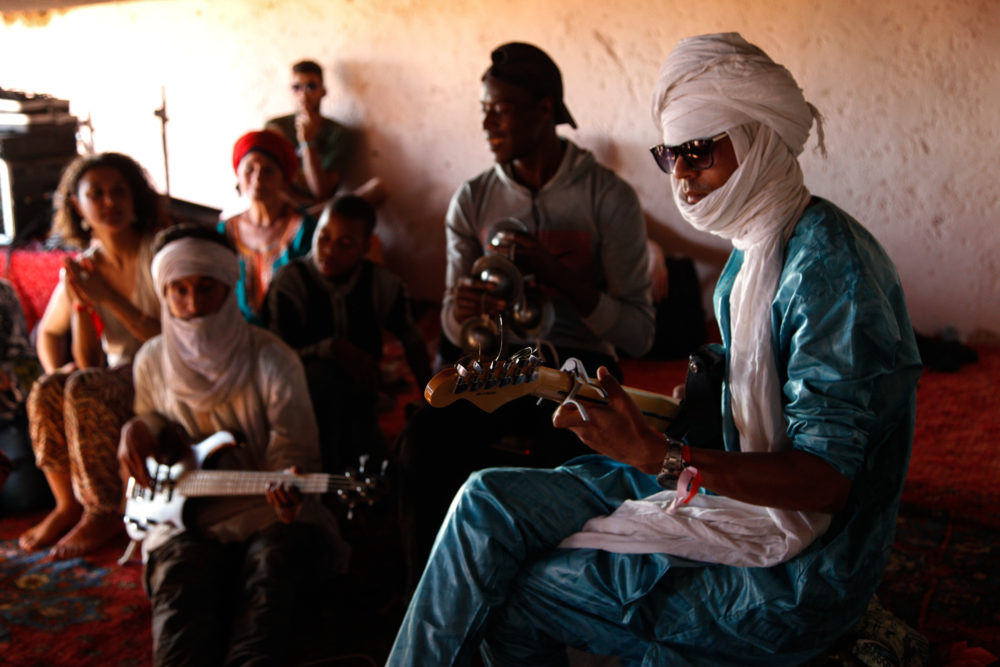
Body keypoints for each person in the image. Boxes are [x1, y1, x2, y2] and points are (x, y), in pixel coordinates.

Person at [387, 32, 922, 666]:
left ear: (756, 141)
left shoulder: (828, 272)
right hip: (726, 485)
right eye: (671, 157)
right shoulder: (748, 259)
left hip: (804, 567)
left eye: (698, 152)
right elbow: (757, 386)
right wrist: (694, 402)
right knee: (484, 500)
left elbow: (827, 481)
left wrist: (659, 455)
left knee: (517, 585)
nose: (684, 179)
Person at [396, 41, 654, 593]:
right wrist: (460, 313)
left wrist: (562, 279)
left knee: (569, 464)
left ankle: (553, 609)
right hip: (496, 368)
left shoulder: (608, 198)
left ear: (545, 111)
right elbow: (449, 323)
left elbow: (638, 334)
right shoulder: (472, 200)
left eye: (502, 108)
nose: (487, 122)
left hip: (579, 372)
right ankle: (433, 601)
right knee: (423, 444)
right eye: (483, 109)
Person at [117, 224, 349, 666]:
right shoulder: (151, 358)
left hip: (269, 511)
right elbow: (152, 415)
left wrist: (287, 493)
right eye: (178, 290)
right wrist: (136, 428)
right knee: (180, 599)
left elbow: (293, 450)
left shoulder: (272, 358)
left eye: (207, 288)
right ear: (162, 294)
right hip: (182, 515)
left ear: (230, 286)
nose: (192, 305)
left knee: (270, 587)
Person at [18, 152, 165, 558]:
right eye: (95, 194)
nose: (109, 202)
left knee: (84, 385)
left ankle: (103, 510)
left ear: (135, 198)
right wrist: (57, 366)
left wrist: (108, 299)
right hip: (112, 374)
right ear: (78, 206)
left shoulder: (158, 253)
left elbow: (171, 336)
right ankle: (67, 504)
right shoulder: (84, 268)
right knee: (50, 386)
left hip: (162, 369)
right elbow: (49, 332)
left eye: (119, 191)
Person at [262, 194, 431, 473]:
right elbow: (275, 354)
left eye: (345, 245)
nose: (328, 251)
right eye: (323, 237)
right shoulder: (289, 283)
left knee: (376, 472)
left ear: (366, 247)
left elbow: (412, 340)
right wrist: (331, 348)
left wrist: (430, 397)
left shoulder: (383, 285)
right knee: (321, 383)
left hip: (359, 392)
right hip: (300, 395)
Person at [219, 130, 318, 324]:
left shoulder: (304, 230)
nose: (257, 179)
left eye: (268, 170)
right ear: (238, 174)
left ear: (285, 178)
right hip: (238, 338)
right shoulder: (226, 232)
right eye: (249, 169)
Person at [265, 59, 356, 208]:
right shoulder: (277, 127)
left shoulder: (339, 134)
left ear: (323, 91)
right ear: (290, 91)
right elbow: (268, 181)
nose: (304, 95)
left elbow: (321, 191)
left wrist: (307, 142)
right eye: (297, 87)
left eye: (311, 87)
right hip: (284, 206)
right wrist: (302, 203)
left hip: (319, 208)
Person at [0, 278, 47, 514]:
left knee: (24, 497)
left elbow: (30, 371)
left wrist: (6, 378)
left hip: (7, 418)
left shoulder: (2, 294)